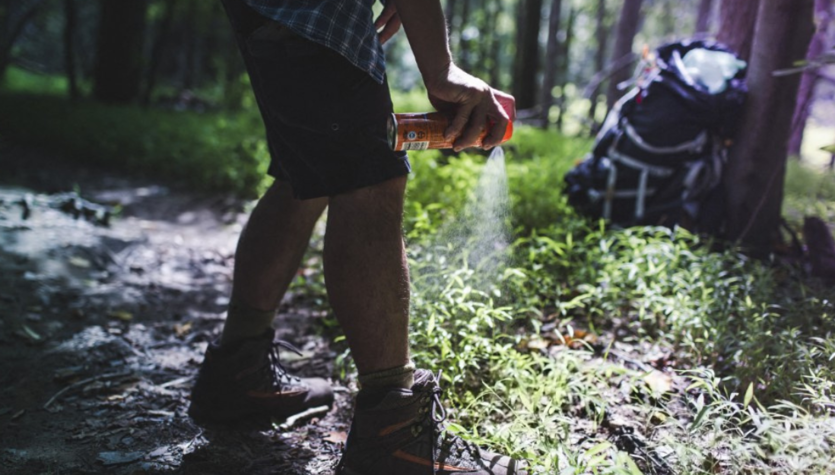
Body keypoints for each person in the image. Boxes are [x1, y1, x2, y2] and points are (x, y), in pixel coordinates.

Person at [188, 0, 526, 473]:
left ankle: (236, 373)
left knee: (303, 174)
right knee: (370, 180)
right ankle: (393, 439)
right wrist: (441, 69)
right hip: (317, 17)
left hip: (271, 11)